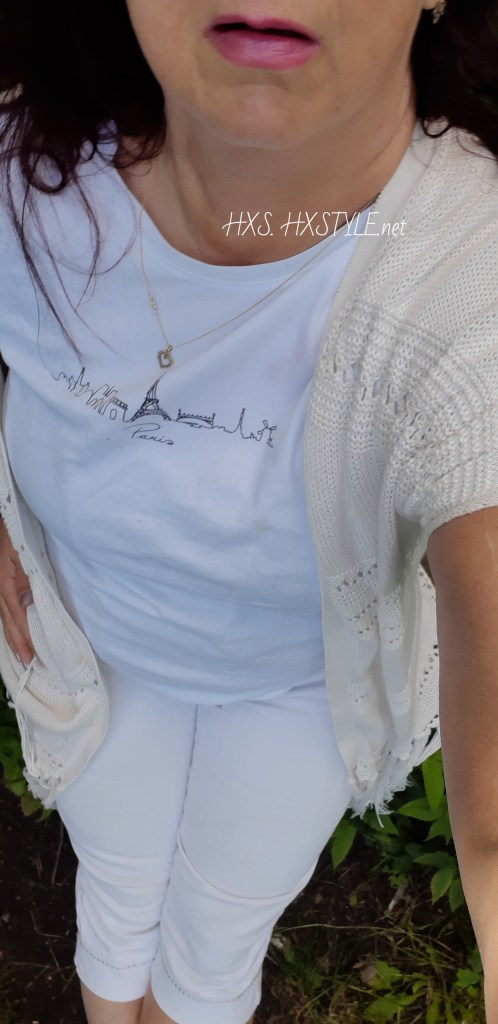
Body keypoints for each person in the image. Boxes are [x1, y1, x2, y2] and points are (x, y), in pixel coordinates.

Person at [0, 1, 497, 1022]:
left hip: (298, 688)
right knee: (117, 886)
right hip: (89, 645)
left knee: (218, 934)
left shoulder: (468, 269)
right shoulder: (25, 166)